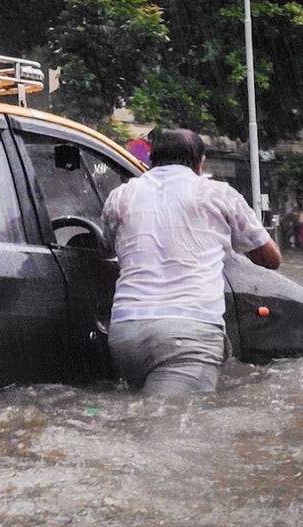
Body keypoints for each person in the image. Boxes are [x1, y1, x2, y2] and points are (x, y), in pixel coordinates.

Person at [101, 128, 282, 396]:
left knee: (144, 420)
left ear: (151, 159)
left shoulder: (120, 196)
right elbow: (269, 258)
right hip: (187, 335)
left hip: (125, 332)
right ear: (201, 162)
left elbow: (113, 245)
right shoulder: (218, 194)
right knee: (173, 427)